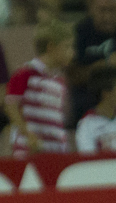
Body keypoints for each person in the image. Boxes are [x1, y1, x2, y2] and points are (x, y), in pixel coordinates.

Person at [4, 19, 73, 158]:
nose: (72, 52)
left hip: (55, 150)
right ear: (51, 47)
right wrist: (28, 134)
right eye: (67, 47)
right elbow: (10, 106)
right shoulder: (25, 74)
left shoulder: (59, 81)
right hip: (30, 149)